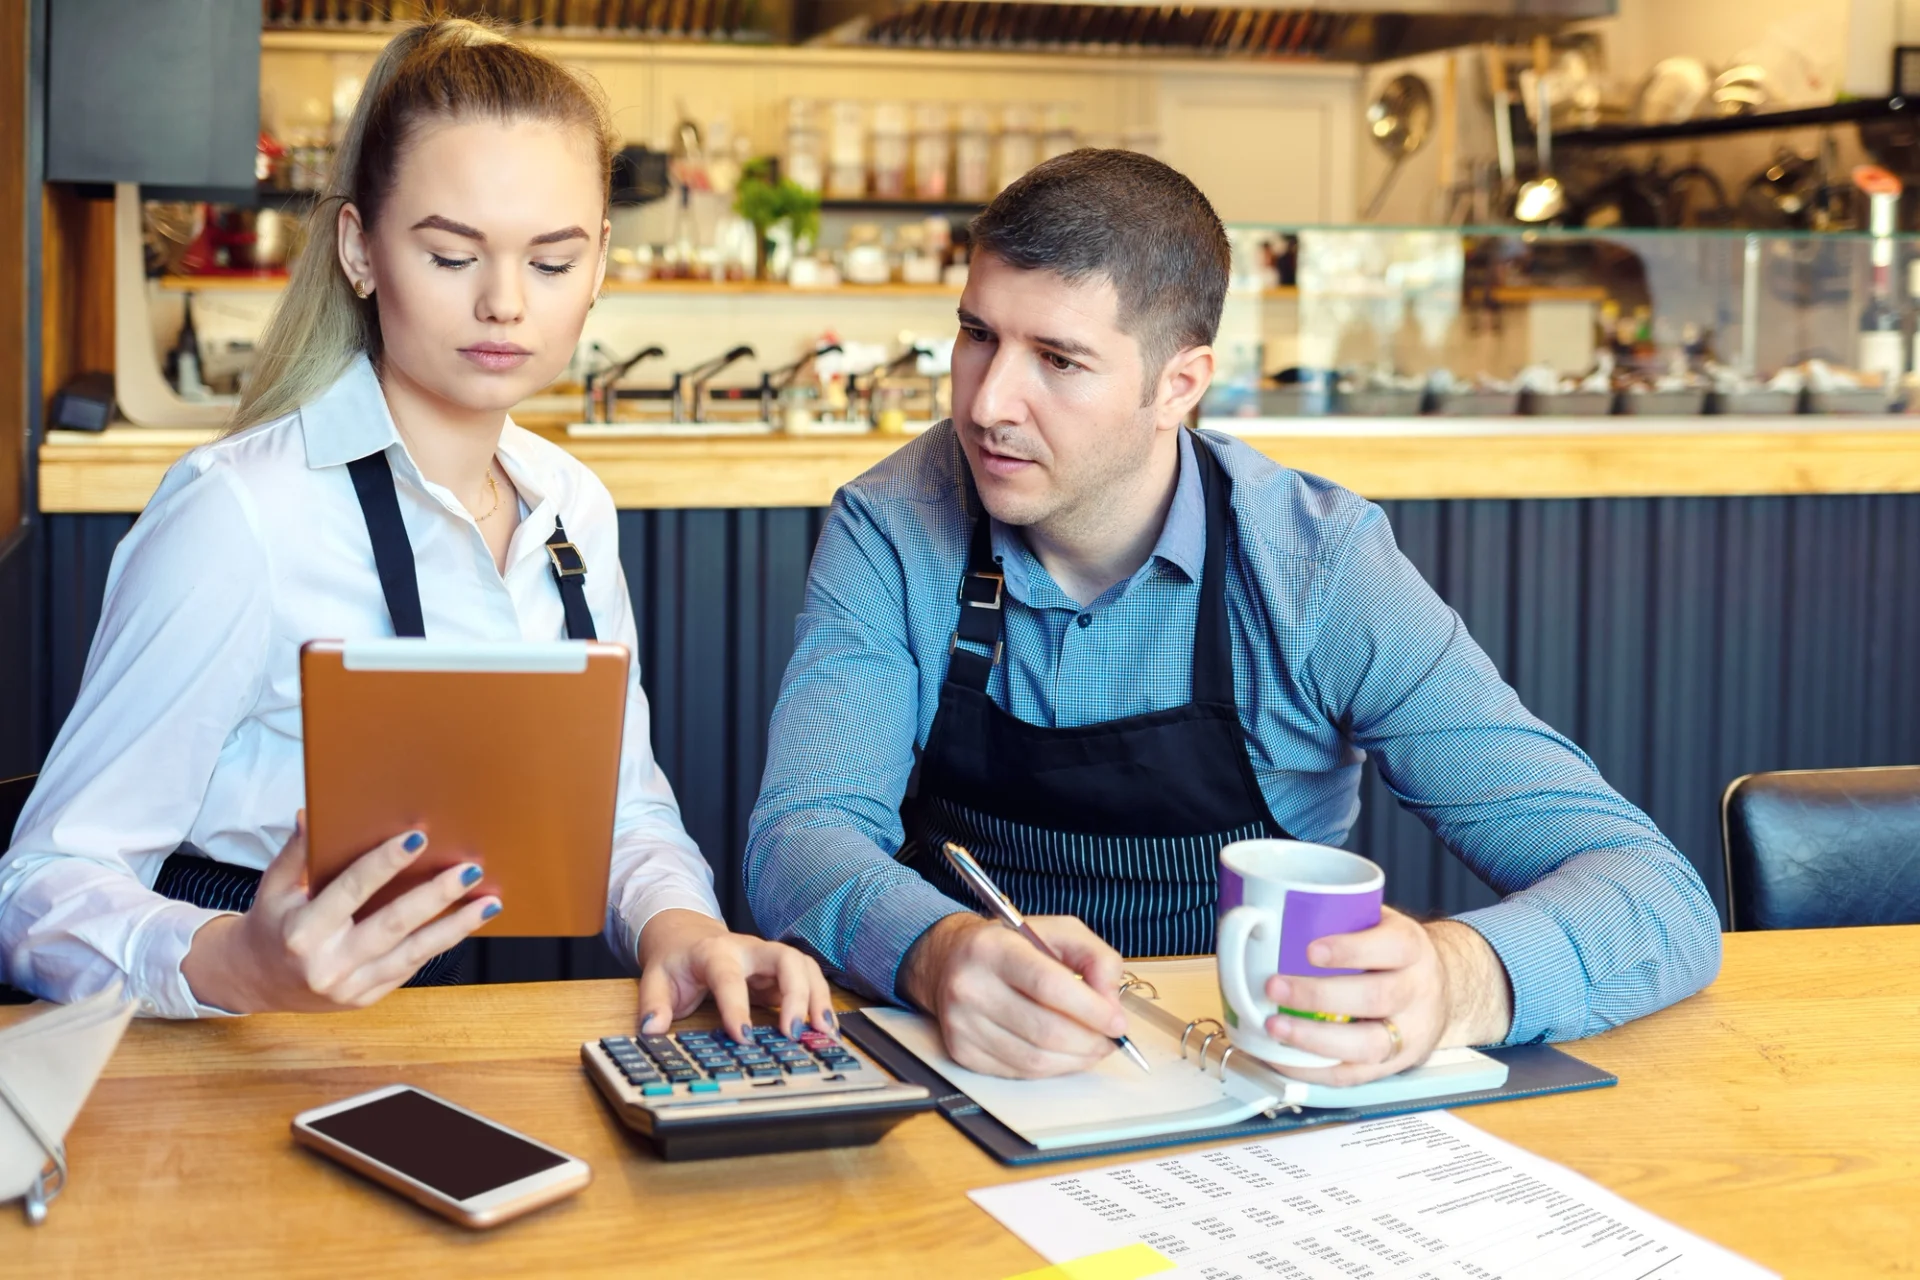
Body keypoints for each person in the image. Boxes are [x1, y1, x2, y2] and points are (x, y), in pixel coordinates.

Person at [745, 150, 1721, 1084]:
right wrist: (933, 949)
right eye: (977, 334)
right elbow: (801, 836)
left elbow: (1653, 890)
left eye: (1059, 359)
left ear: (1180, 384)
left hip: (1257, 1093)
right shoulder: (893, 525)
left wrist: (1459, 980)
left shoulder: (1316, 568)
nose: (989, 399)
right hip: (970, 1071)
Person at [0, 18, 830, 1042]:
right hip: (237, 1056)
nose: (504, 303)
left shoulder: (573, 508)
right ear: (359, 247)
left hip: (469, 1041)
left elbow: (620, 808)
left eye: (554, 261)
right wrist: (240, 960)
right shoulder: (240, 514)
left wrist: (682, 923)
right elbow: (40, 883)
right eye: (450, 253)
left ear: (603, 260)